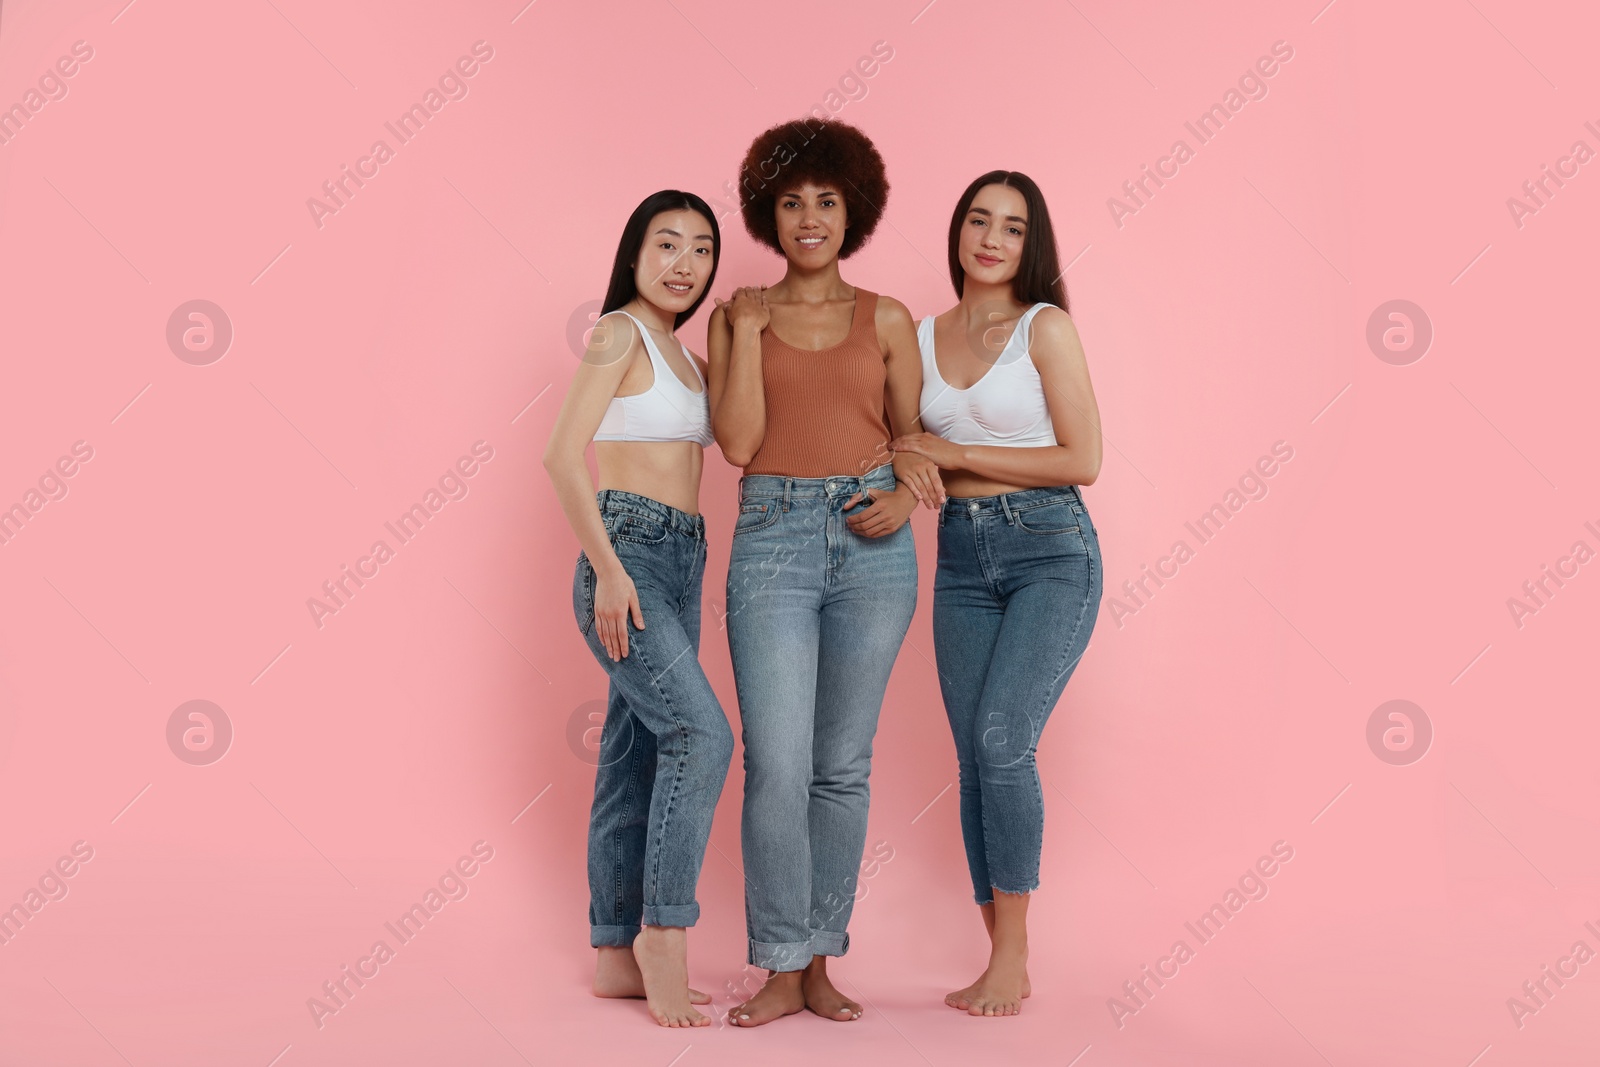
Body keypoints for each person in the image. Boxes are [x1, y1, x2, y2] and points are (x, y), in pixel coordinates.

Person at [707, 118, 944, 1027]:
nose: (810, 217)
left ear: (855, 210)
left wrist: (904, 489)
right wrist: (754, 331)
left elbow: (913, 432)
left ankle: (818, 957)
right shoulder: (740, 314)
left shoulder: (885, 317)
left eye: (827, 201)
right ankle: (776, 959)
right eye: (793, 201)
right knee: (776, 760)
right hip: (771, 532)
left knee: (840, 764)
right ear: (770, 214)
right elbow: (737, 442)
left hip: (873, 538)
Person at [890, 170, 1104, 1017]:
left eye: (1012, 228)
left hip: (1051, 549)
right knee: (974, 757)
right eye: (979, 220)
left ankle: (1014, 954)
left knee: (1002, 736)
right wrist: (909, 462)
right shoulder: (917, 333)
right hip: (959, 561)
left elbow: (1081, 459)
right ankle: (997, 954)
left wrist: (956, 456)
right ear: (957, 232)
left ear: (1030, 245)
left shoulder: (1044, 329)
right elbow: (905, 445)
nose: (991, 238)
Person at [542, 190, 734, 1028]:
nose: (683, 263)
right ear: (633, 254)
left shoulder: (686, 355)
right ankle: (664, 931)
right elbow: (559, 456)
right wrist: (610, 571)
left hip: (683, 553)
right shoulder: (618, 331)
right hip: (628, 555)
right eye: (667, 243)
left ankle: (613, 952)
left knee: (634, 754)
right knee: (702, 733)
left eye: (700, 249)